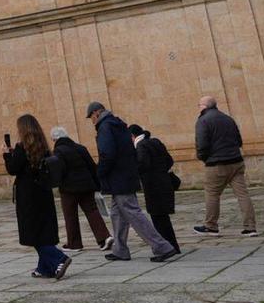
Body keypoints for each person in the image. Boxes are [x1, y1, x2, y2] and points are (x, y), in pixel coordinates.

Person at [85, 101, 179, 262]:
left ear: (96, 113)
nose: (91, 120)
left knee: (133, 213)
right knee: (117, 214)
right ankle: (120, 249)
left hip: (118, 178)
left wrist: (100, 173)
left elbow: (107, 154)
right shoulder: (118, 124)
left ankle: (162, 246)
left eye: (91, 117)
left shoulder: (105, 127)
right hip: (125, 175)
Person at [3, 114, 72, 279]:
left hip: (28, 196)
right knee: (42, 230)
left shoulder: (22, 148)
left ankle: (58, 258)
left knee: (32, 232)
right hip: (43, 192)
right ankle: (44, 268)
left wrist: (6, 154)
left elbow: (13, 168)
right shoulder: (43, 147)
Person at [194, 96, 258, 236]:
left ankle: (211, 226)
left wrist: (203, 158)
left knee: (212, 194)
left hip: (216, 163)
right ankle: (250, 227)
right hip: (236, 161)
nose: (198, 107)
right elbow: (239, 140)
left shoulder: (203, 120)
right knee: (242, 194)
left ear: (204, 106)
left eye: (199, 105)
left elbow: (202, 144)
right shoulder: (228, 118)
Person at [50, 126, 112, 252]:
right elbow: (92, 167)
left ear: (55, 139)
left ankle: (74, 244)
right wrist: (97, 185)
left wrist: (57, 183)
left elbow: (59, 171)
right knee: (92, 211)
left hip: (69, 189)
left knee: (70, 215)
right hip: (87, 186)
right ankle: (104, 237)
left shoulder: (58, 151)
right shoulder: (80, 148)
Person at [128, 124, 180, 253]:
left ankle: (168, 247)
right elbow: (169, 160)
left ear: (132, 136)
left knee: (158, 218)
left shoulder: (141, 146)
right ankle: (173, 246)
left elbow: (143, 164)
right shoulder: (155, 142)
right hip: (165, 182)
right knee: (164, 218)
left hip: (153, 185)